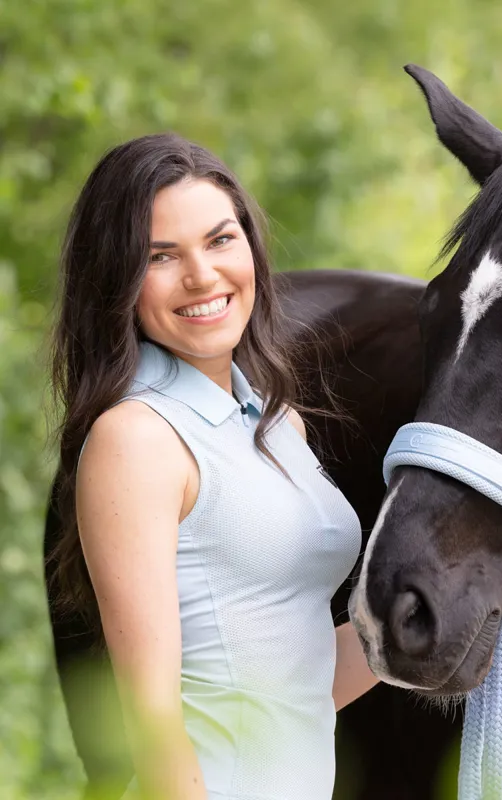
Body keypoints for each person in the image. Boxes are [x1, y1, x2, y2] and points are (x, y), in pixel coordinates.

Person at [48, 133, 379, 800]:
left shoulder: (279, 425)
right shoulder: (136, 438)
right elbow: (151, 715)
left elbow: (300, 687)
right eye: (161, 257)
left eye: (220, 240)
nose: (202, 276)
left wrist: (416, 623)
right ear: (118, 282)